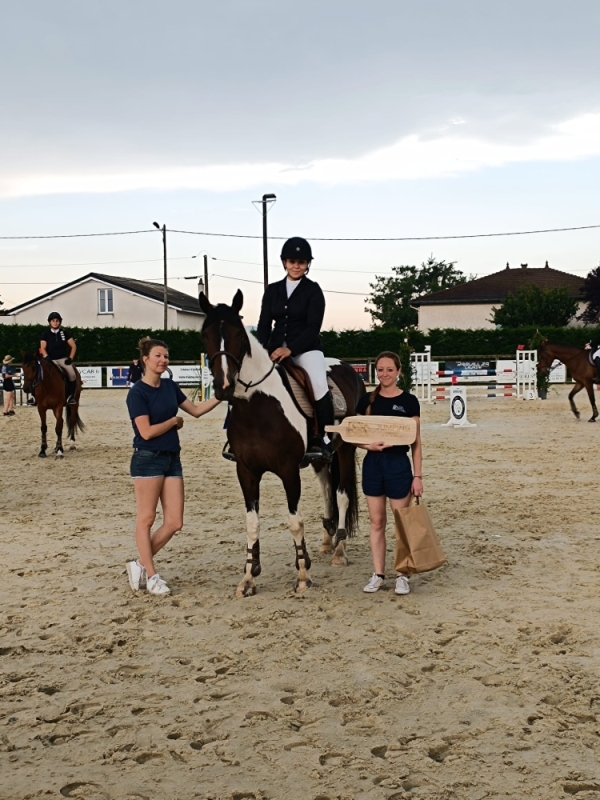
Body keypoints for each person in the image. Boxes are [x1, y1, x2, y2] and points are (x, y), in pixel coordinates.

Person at [125, 336, 221, 596]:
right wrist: (173, 422)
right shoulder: (137, 393)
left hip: (171, 459)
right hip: (147, 458)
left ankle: (139, 564)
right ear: (145, 359)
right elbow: (145, 432)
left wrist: (222, 396)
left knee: (175, 522)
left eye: (165, 356)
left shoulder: (169, 386)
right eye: (158, 355)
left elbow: (198, 410)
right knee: (146, 519)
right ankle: (153, 575)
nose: (163, 360)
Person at [256, 236, 334, 459]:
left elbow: (313, 327)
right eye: (292, 261)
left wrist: (290, 348)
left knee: (319, 384)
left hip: (306, 349)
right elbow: (263, 324)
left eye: (301, 261)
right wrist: (262, 352)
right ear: (284, 263)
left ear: (307, 264)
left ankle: (325, 436)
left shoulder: (313, 291)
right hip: (273, 349)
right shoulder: (272, 291)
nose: (296, 265)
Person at [356, 351, 423, 596]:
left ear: (398, 372)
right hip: (373, 465)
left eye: (389, 370)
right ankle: (378, 574)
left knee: (400, 525)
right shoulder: (366, 401)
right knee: (376, 522)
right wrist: (368, 446)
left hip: (398, 466)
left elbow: (417, 443)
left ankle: (402, 575)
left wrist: (418, 476)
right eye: (380, 369)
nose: (384, 374)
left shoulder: (409, 401)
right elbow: (355, 436)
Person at [39, 312, 78, 404]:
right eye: (53, 321)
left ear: (60, 322)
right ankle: (34, 396)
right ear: (50, 322)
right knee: (38, 373)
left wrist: (70, 358)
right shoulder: (45, 334)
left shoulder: (65, 333)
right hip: (49, 360)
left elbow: (73, 346)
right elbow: (42, 348)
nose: (55, 323)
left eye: (57, 321)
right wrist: (46, 356)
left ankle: (71, 396)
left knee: (72, 375)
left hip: (62, 359)